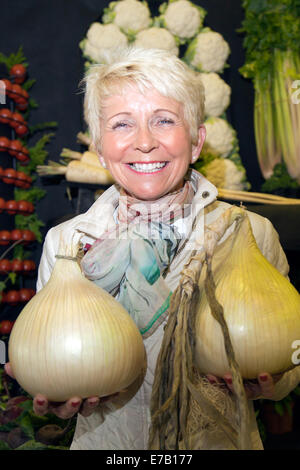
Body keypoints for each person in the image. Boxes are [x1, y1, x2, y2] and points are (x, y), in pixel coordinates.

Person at [5, 47, 300, 450]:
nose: (144, 142)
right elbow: (49, 352)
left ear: (196, 142)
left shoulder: (249, 232)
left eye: (164, 120)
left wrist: (271, 382)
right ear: (99, 146)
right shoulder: (67, 243)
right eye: (122, 124)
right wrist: (56, 392)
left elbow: (288, 355)